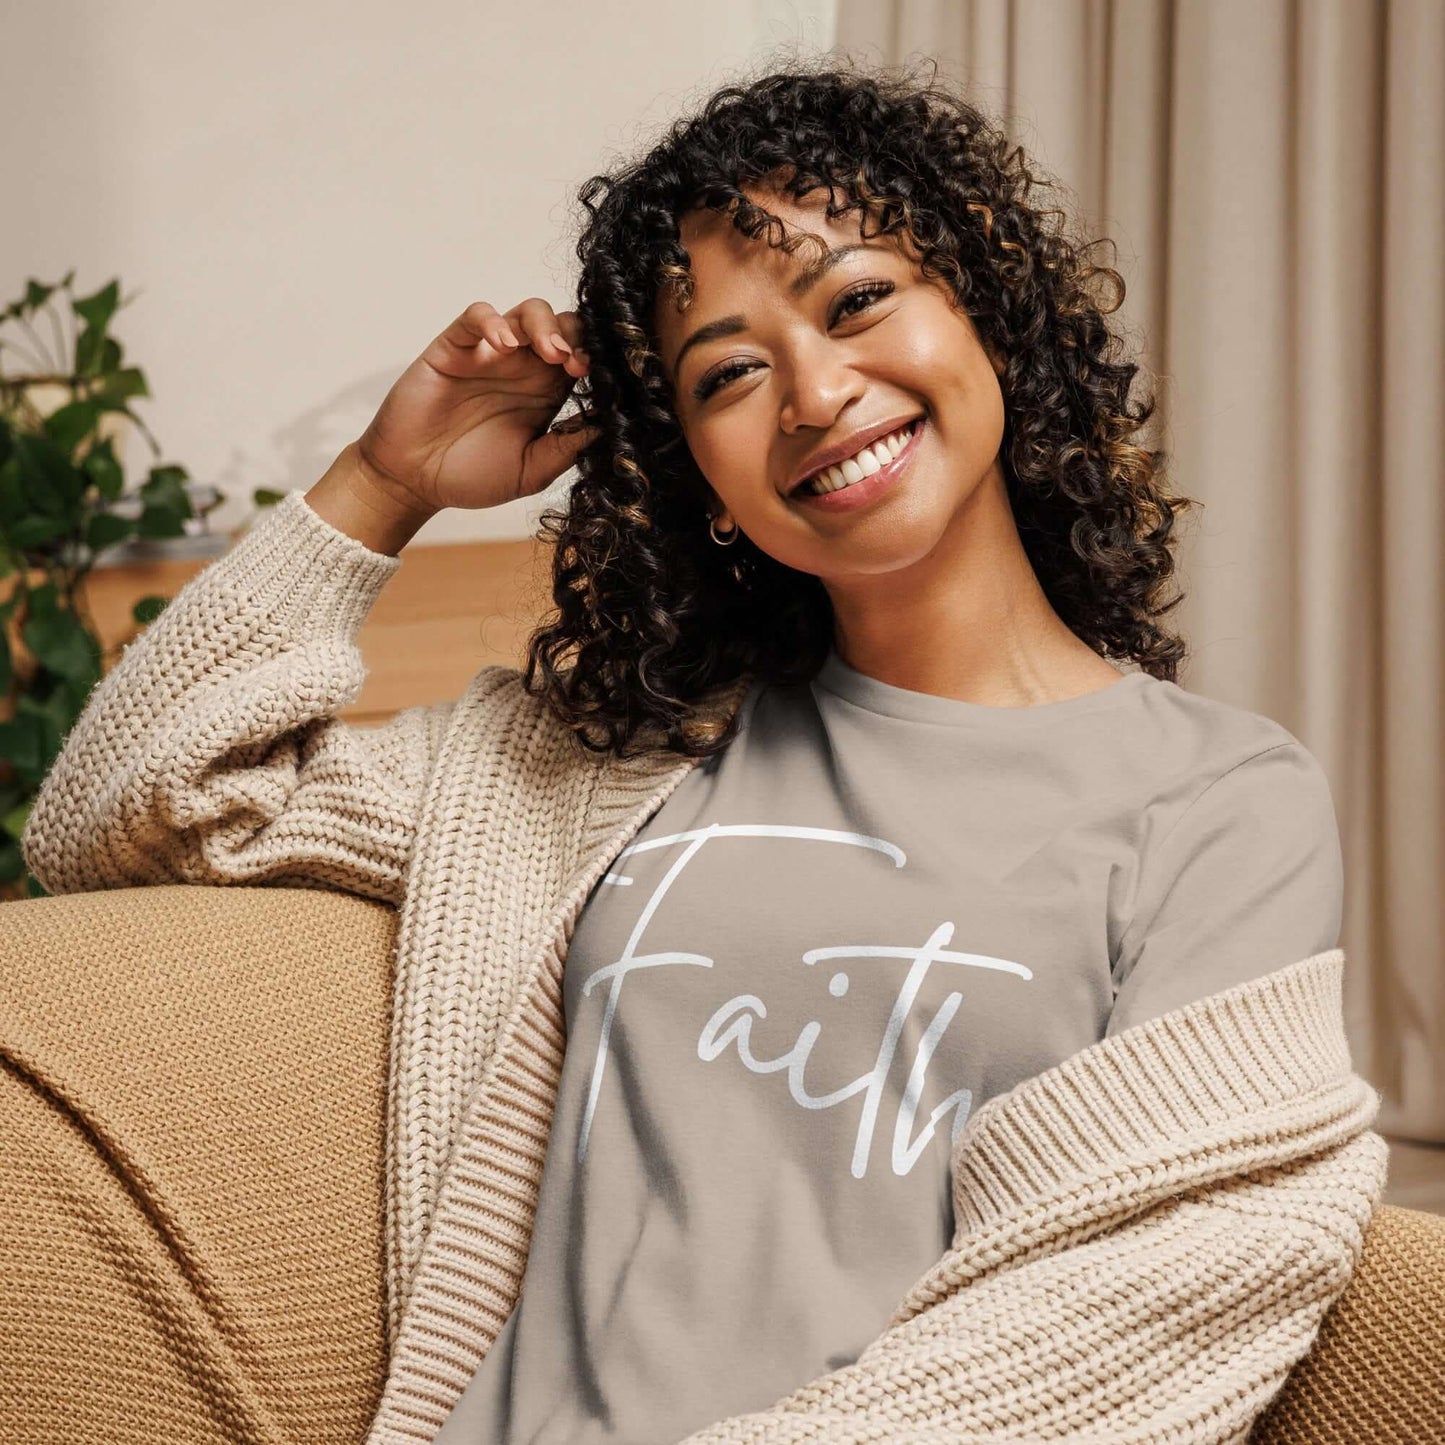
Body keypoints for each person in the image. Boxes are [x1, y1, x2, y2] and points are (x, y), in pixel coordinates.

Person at [18, 57, 1384, 1445]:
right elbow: (126, 812)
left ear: (987, 317)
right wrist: (383, 484)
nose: (811, 390)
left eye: (858, 300)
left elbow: (1142, 1296)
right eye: (728, 372)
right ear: (703, 480)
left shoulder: (1215, 798)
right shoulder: (605, 765)